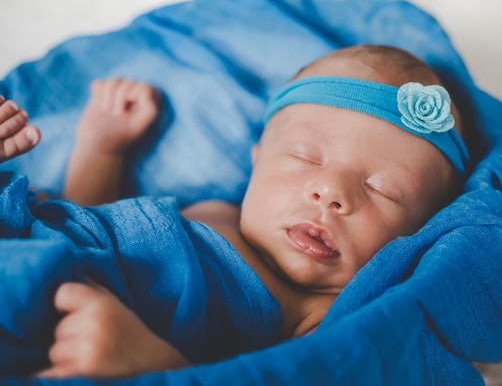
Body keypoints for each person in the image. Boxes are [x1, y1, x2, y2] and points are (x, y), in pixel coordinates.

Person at [0, 44, 471, 378]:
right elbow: (93, 217)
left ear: (418, 234)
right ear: (257, 158)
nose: (331, 192)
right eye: (306, 156)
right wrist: (102, 148)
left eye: (382, 190)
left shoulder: (323, 314)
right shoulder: (214, 210)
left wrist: (156, 364)